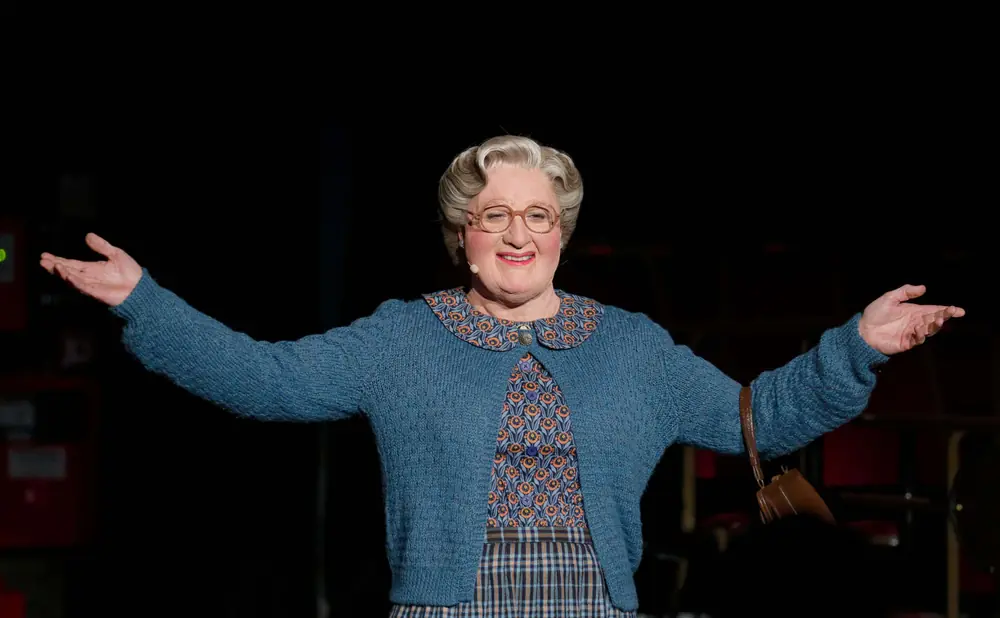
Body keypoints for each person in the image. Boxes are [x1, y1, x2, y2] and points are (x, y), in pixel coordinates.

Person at [39, 135, 965, 617]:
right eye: (493, 215)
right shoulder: (402, 338)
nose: (517, 233)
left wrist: (856, 345)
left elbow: (752, 417)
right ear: (463, 235)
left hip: (596, 607)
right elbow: (265, 379)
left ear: (562, 232)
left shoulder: (630, 345)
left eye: (537, 214)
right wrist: (144, 302)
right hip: (446, 610)